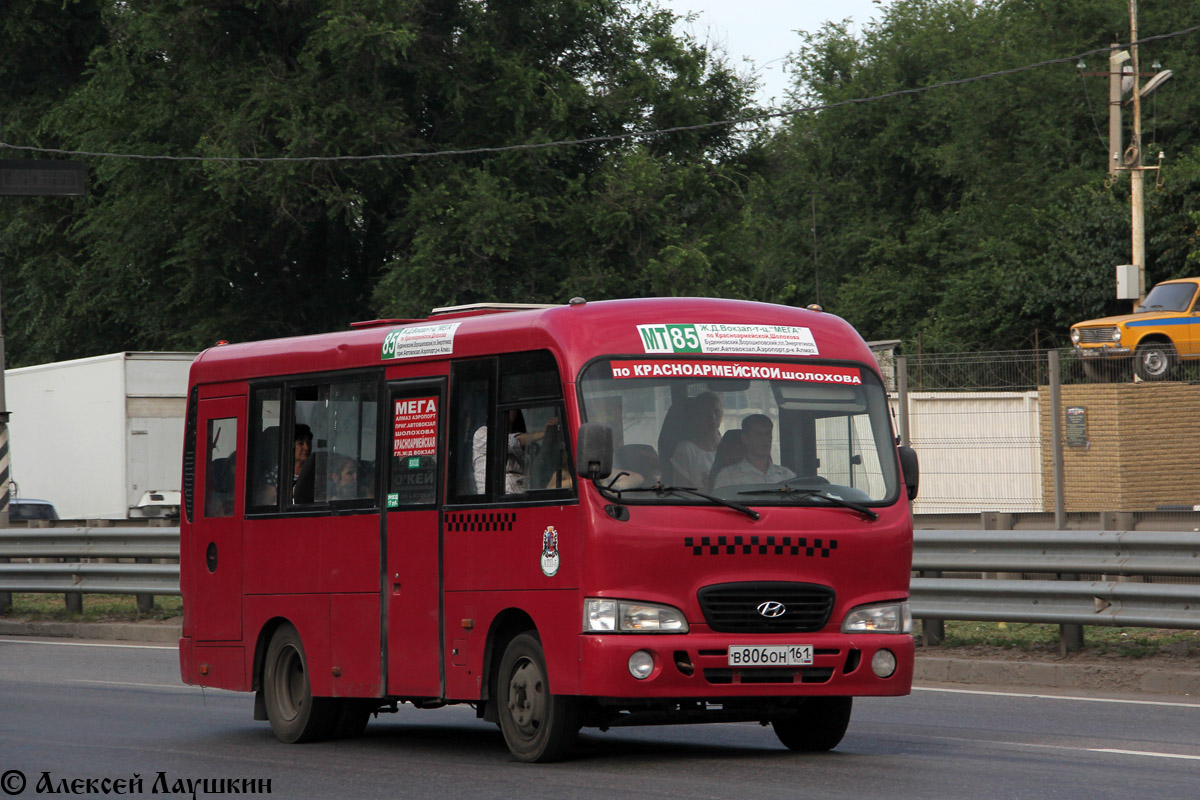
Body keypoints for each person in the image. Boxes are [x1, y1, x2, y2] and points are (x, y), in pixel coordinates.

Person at [712, 414, 796, 488]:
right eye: (758, 434)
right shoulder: (728, 476)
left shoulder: (787, 476)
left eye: (767, 434)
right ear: (745, 439)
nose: (765, 439)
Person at [666, 391, 723, 488]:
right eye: (706, 413)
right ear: (696, 416)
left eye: (716, 412)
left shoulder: (730, 445)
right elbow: (685, 492)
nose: (712, 417)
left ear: (722, 413)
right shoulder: (685, 450)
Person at [292, 424, 313, 489]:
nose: (306, 448)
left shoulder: (315, 471)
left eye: (309, 443)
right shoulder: (278, 473)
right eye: (301, 443)